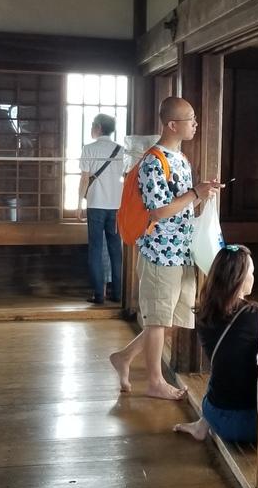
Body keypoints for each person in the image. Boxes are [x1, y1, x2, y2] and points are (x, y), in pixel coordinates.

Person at [109, 97, 222, 400]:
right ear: (173, 124)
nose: (195, 124)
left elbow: (180, 205)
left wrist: (202, 193)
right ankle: (155, 382)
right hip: (160, 251)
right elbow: (158, 211)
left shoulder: (180, 159)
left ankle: (123, 357)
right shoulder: (153, 162)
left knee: (169, 318)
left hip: (181, 250)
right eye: (190, 119)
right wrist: (195, 193)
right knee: (159, 319)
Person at [173, 244, 258, 443]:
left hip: (212, 411)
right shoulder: (255, 317)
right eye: (251, 272)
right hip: (246, 425)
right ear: (238, 278)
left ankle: (201, 426)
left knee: (224, 366)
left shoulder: (204, 314)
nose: (253, 277)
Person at [79, 114, 124, 305]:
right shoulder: (122, 150)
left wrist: (79, 204)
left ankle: (99, 295)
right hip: (116, 206)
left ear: (98, 127)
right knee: (116, 251)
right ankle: (118, 294)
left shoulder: (89, 149)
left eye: (92, 125)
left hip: (96, 205)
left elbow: (84, 179)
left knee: (95, 250)